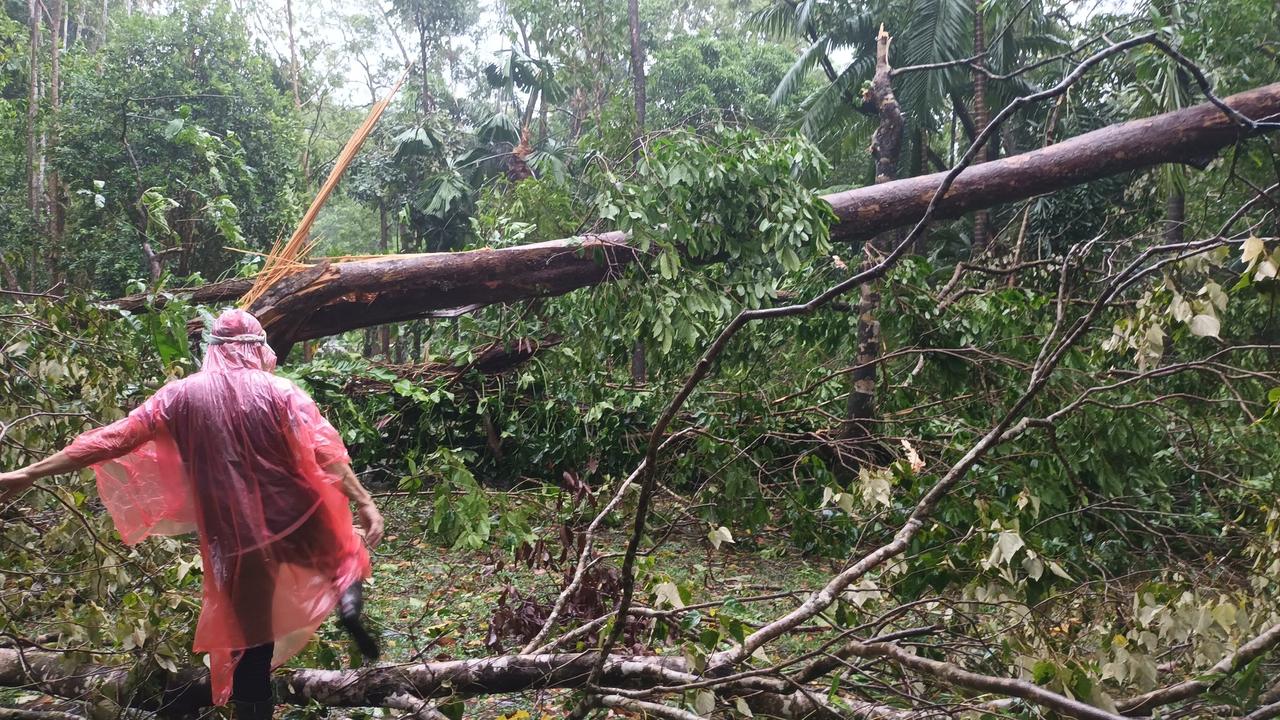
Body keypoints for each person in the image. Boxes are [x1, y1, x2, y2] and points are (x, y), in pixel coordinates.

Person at [0, 309, 385, 720]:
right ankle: (349, 606)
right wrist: (363, 501)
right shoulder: (282, 392)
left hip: (238, 537)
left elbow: (113, 439)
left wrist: (30, 470)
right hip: (298, 514)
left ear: (214, 348)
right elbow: (327, 452)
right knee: (347, 558)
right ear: (258, 347)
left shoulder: (179, 396)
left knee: (251, 642)